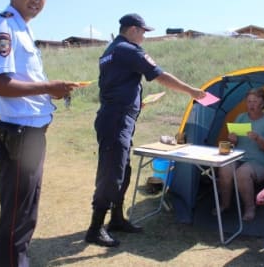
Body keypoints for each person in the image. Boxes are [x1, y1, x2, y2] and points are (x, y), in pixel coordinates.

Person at [0, 0, 79, 267]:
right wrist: (48, 86)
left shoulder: (22, 28)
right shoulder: (3, 26)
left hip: (30, 134)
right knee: (17, 214)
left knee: (25, 210)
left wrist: (50, 90)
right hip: (19, 134)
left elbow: (24, 82)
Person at [85, 13, 206, 247]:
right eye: (142, 32)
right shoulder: (128, 50)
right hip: (117, 119)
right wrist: (190, 90)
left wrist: (134, 101)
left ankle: (117, 219)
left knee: (123, 170)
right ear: (132, 30)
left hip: (116, 116)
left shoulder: (110, 51)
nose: (144, 36)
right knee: (111, 173)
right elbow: (159, 75)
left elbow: (112, 86)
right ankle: (95, 228)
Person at [217, 88, 264, 221]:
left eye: (255, 101)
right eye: (249, 101)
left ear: (262, 103)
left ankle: (250, 208)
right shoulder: (241, 117)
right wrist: (232, 139)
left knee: (242, 173)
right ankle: (225, 204)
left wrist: (258, 138)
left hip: (261, 162)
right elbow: (234, 143)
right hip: (240, 157)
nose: (251, 104)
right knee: (224, 168)